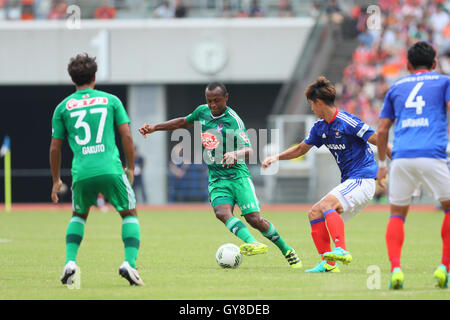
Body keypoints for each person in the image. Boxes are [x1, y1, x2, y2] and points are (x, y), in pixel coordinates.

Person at [139, 82, 302, 268]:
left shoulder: (233, 121)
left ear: (226, 97)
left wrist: (235, 153)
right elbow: (183, 122)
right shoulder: (202, 112)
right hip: (217, 178)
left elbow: (249, 149)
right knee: (221, 212)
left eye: (217, 100)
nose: (213, 105)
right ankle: (251, 242)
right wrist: (155, 127)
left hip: (238, 177)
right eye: (209, 101)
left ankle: (287, 250)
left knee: (254, 219)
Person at [263, 76, 391, 273]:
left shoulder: (347, 121)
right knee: (314, 212)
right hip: (351, 181)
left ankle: (341, 249)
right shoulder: (320, 127)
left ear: (319, 102)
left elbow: (378, 139)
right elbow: (300, 149)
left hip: (363, 179)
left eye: (312, 104)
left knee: (326, 205)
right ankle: (328, 264)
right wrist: (276, 158)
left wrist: (397, 160)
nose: (312, 109)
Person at [50, 53, 144, 286]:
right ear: (94, 76)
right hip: (111, 169)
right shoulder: (110, 100)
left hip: (81, 172)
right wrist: (130, 167)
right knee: (129, 213)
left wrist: (55, 180)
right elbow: (127, 136)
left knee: (79, 215)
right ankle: (129, 264)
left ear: (73, 78)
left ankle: (70, 262)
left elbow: (55, 147)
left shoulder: (62, 107)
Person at [377, 41, 450, 290]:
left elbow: (383, 129)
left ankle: (396, 269)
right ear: (435, 62)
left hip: (401, 157)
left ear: (407, 65)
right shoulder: (444, 82)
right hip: (433, 154)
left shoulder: (396, 87)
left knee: (397, 214)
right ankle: (444, 267)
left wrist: (381, 164)